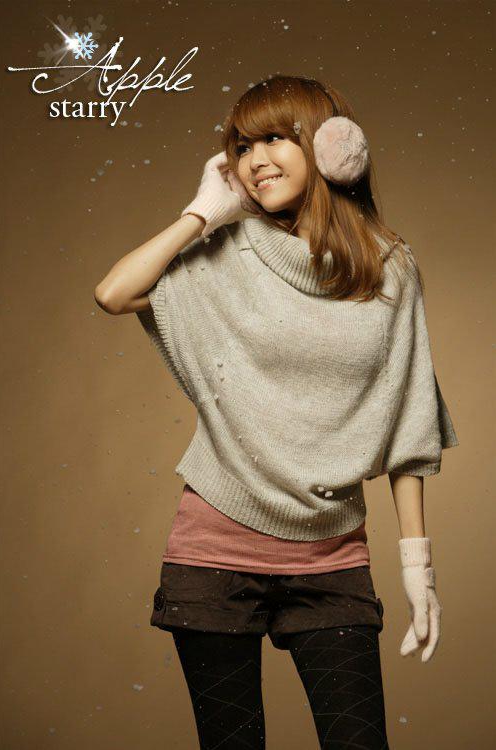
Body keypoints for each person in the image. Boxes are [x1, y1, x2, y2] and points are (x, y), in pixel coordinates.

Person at [94, 76, 459, 749]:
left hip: (331, 557)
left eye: (273, 138)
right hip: (214, 556)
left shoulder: (390, 268)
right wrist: (202, 212)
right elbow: (114, 293)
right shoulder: (224, 253)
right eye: (241, 147)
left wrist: (418, 570)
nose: (254, 159)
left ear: (332, 147)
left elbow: (411, 423)